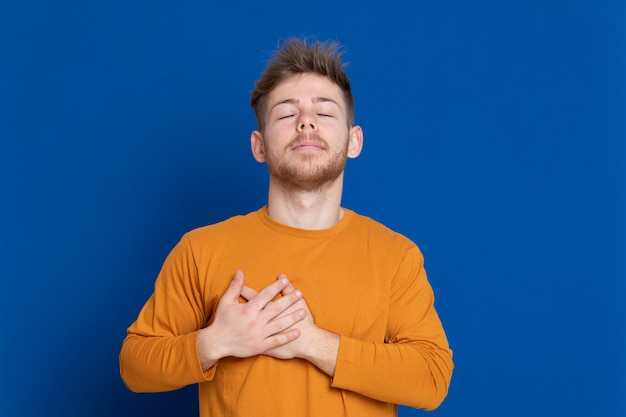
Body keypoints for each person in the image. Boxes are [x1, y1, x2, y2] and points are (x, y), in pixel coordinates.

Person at [120, 38, 453, 417]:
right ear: (259, 146)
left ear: (353, 141)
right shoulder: (201, 249)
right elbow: (135, 365)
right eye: (285, 114)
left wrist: (312, 343)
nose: (306, 122)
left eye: (324, 113)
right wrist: (213, 342)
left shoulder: (395, 256)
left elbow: (432, 378)